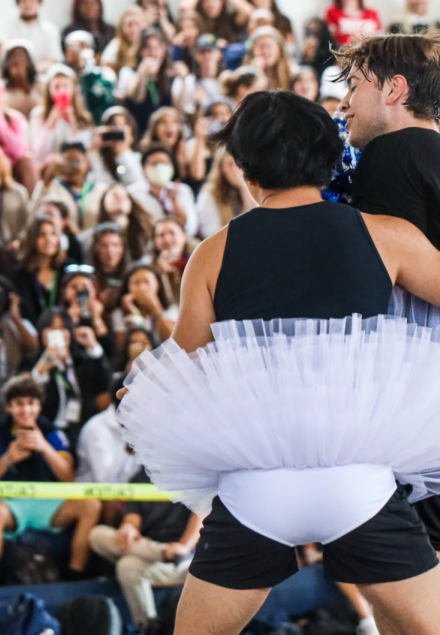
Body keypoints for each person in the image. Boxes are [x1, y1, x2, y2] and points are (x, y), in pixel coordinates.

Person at [118, 90, 440, 635]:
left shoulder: (212, 253)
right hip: (359, 479)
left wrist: (136, 396)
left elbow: (184, 365)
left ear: (244, 169)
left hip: (255, 489)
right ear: (330, 154)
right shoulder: (389, 237)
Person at [338, 32, 440, 560]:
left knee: (412, 566)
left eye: (355, 86)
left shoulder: (392, 155)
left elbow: (375, 285)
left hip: (418, 406)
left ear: (394, 90)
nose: (345, 104)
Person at [0, 375, 102, 583]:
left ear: (39, 406)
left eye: (31, 404)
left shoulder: (52, 433)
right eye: (19, 404)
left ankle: (75, 574)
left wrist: (44, 447)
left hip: (47, 503)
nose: (26, 410)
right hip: (10, 502)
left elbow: (68, 478)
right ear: (8, 407)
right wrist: (7, 458)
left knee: (91, 505)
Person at [88, 471, 201, 629]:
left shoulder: (195, 473)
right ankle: (149, 628)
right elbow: (133, 517)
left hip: (188, 562)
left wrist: (184, 546)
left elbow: (202, 514)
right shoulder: (140, 477)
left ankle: (148, 628)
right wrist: (128, 527)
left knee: (128, 564)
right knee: (97, 535)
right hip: (151, 552)